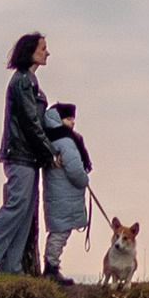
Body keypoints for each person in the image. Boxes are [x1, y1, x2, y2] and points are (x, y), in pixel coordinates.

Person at [0, 31, 61, 274]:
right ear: (31, 52)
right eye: (43, 48)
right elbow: (30, 122)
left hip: (27, 157)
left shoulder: (29, 82)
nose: (47, 52)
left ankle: (11, 269)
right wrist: (50, 153)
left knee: (25, 213)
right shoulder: (22, 82)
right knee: (17, 206)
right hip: (19, 155)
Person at [41, 99, 93, 283]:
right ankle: (51, 268)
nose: (72, 122)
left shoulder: (50, 138)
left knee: (58, 231)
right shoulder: (66, 140)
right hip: (65, 194)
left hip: (58, 193)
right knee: (60, 232)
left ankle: (51, 266)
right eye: (69, 118)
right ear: (59, 119)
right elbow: (75, 169)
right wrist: (84, 179)